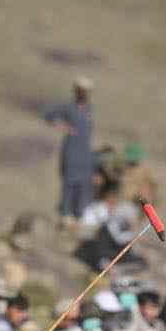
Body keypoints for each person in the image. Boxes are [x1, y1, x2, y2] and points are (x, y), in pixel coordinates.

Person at [44, 76, 95, 227]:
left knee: (84, 183)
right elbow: (48, 115)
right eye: (81, 90)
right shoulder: (68, 107)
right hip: (71, 150)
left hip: (85, 152)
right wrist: (62, 127)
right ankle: (65, 214)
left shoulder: (89, 108)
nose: (83, 93)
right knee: (69, 181)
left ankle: (79, 213)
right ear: (76, 91)